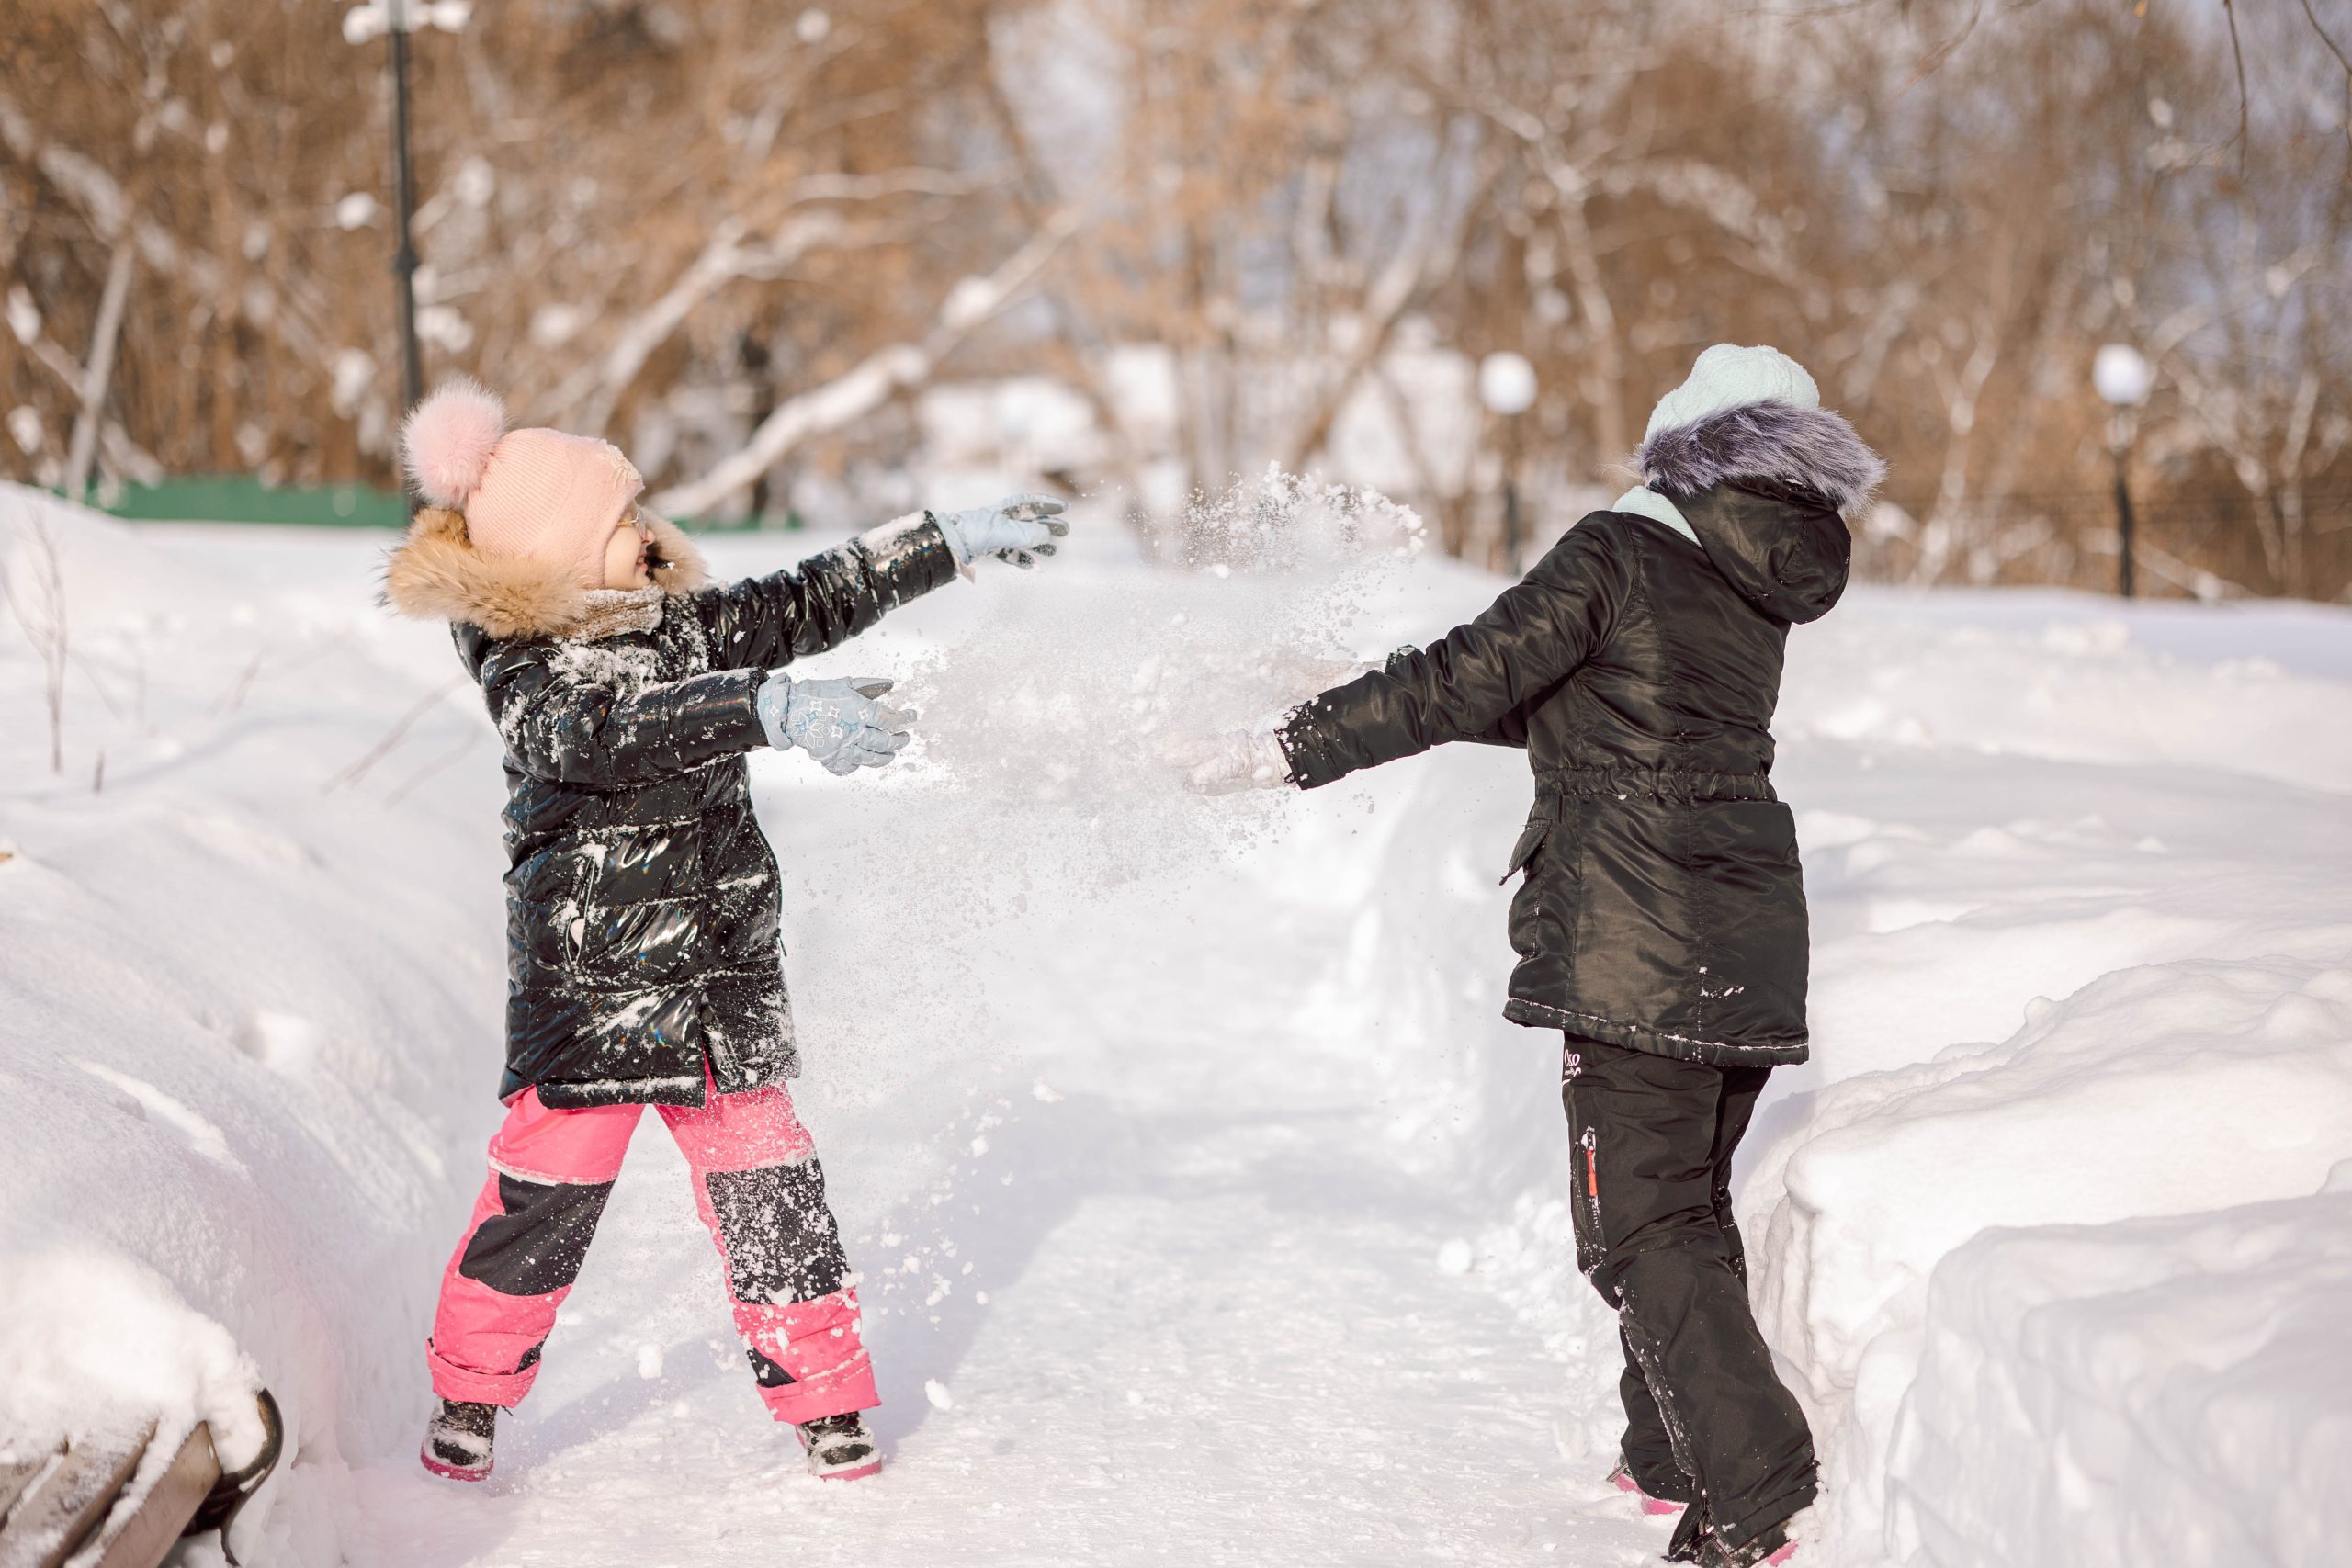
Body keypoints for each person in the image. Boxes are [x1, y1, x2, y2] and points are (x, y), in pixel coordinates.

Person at [1184, 345, 1883, 1567]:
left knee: (1637, 1226)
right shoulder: (1750, 579)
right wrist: (1345, 687)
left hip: (1640, 930)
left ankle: (1758, 1491)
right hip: (1742, 925)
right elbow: (1567, 699)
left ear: (1683, 446)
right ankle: (1668, 1453)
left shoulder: (1620, 550)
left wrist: (1288, 748)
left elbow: (1468, 675)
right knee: (1683, 1202)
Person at [382, 378, 1064, 1483]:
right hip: (593, 997)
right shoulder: (529, 667)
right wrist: (760, 709)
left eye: (638, 510)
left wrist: (941, 541)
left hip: (717, 986)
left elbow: (807, 599)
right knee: (539, 1211)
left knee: (776, 1196)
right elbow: (602, 733)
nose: (647, 533)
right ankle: (470, 1393)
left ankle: (826, 1398)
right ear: (554, 553)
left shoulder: (684, 626)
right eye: (619, 521)